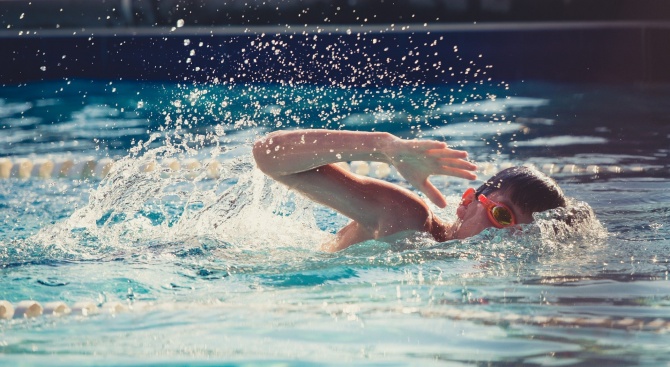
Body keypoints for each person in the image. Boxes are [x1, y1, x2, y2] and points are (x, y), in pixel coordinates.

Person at [253, 129, 567, 252]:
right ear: (467, 202)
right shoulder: (407, 218)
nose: (504, 240)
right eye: (501, 215)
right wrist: (382, 147)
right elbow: (267, 155)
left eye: (522, 235)